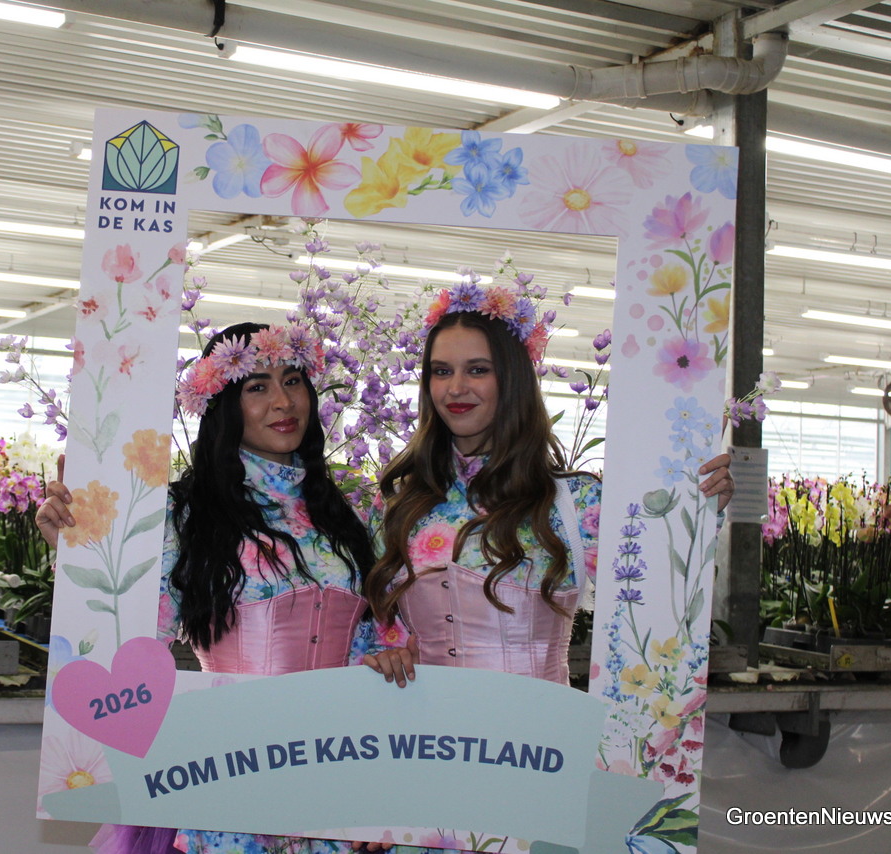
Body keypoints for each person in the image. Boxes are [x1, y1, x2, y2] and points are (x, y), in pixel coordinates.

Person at [38, 321, 380, 854]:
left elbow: (370, 645)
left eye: (292, 381)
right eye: (258, 386)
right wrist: (83, 550)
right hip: (228, 776)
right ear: (222, 405)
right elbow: (128, 638)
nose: (283, 401)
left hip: (342, 779)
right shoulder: (184, 515)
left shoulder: (344, 516)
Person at [361, 284, 734, 688]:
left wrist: (696, 508)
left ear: (513, 380)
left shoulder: (576, 502)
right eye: (442, 371)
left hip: (541, 727)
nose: (455, 388)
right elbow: (380, 633)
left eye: (478, 370)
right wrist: (385, 655)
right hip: (422, 725)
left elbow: (660, 594)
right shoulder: (400, 505)